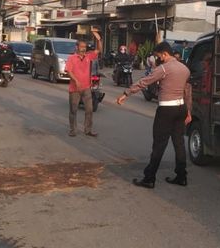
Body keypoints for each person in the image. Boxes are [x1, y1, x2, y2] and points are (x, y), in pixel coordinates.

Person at [117, 41, 192, 188]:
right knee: (179, 143)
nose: (158, 59)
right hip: (181, 108)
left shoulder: (164, 68)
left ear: (165, 54)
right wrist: (188, 111)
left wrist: (126, 93)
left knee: (159, 145)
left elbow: (144, 82)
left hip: (166, 110)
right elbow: (187, 91)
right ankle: (181, 176)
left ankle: (149, 178)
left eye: (158, 56)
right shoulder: (185, 69)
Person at [66, 29, 103, 137]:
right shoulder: (71, 58)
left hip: (86, 88)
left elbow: (99, 50)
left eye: (85, 47)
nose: (83, 48)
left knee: (89, 110)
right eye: (81, 47)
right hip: (74, 89)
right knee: (73, 110)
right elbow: (68, 71)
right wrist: (76, 80)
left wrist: (99, 39)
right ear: (77, 47)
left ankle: (88, 130)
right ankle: (73, 130)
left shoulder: (88, 56)